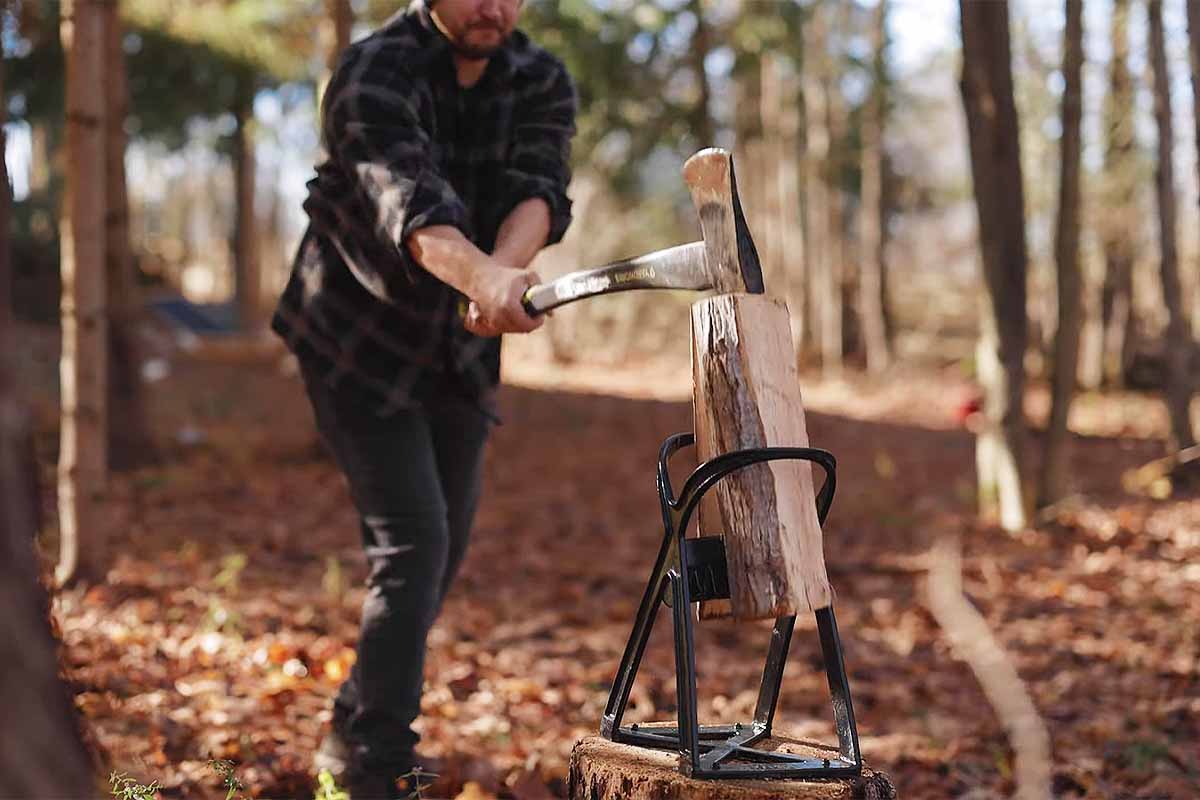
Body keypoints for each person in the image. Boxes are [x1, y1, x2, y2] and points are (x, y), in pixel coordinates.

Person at [270, 0, 576, 795]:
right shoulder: (375, 70)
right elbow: (405, 198)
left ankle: (349, 722)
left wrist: (502, 277)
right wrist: (481, 278)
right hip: (356, 341)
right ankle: (378, 766)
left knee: (441, 550)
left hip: (459, 350)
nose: (493, 7)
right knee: (412, 544)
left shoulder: (541, 77)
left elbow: (538, 186)